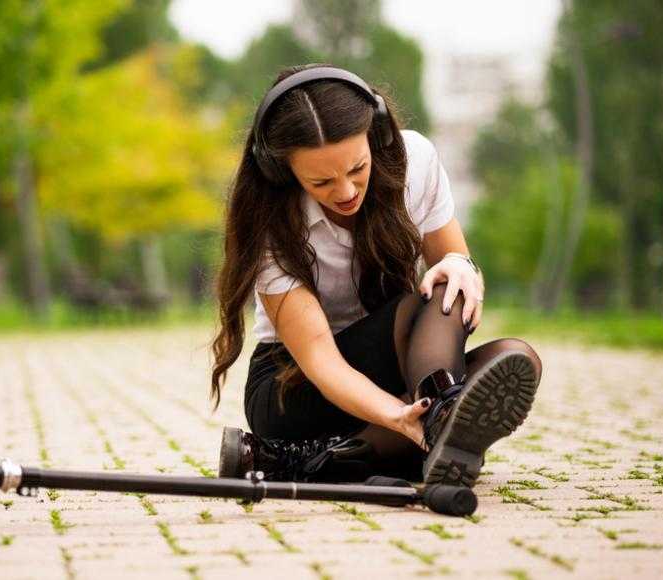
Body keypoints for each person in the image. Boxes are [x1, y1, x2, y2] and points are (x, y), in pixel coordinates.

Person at [208, 64, 543, 487]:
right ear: (283, 172)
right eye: (321, 181)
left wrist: (463, 266)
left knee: (505, 345)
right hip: (296, 386)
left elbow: (458, 278)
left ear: (377, 135)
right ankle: (430, 423)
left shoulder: (415, 161)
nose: (346, 191)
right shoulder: (271, 221)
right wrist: (396, 415)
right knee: (411, 308)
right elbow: (320, 359)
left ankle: (318, 458)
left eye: (357, 168)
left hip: (401, 369)